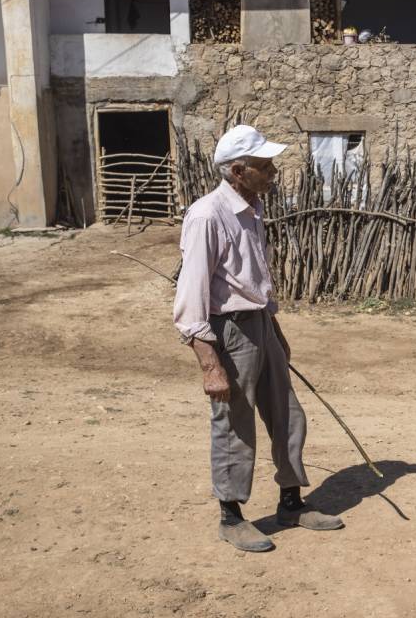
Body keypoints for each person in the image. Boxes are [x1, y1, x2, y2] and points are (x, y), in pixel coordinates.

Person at [173, 124, 343, 553]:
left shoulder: (252, 208)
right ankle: (231, 517)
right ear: (237, 170)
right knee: (235, 425)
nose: (272, 173)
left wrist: (275, 330)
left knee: (288, 415)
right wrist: (210, 364)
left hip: (261, 326)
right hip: (228, 332)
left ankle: (291, 502)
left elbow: (254, 280)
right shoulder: (207, 215)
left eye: (271, 165)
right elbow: (190, 297)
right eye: (264, 166)